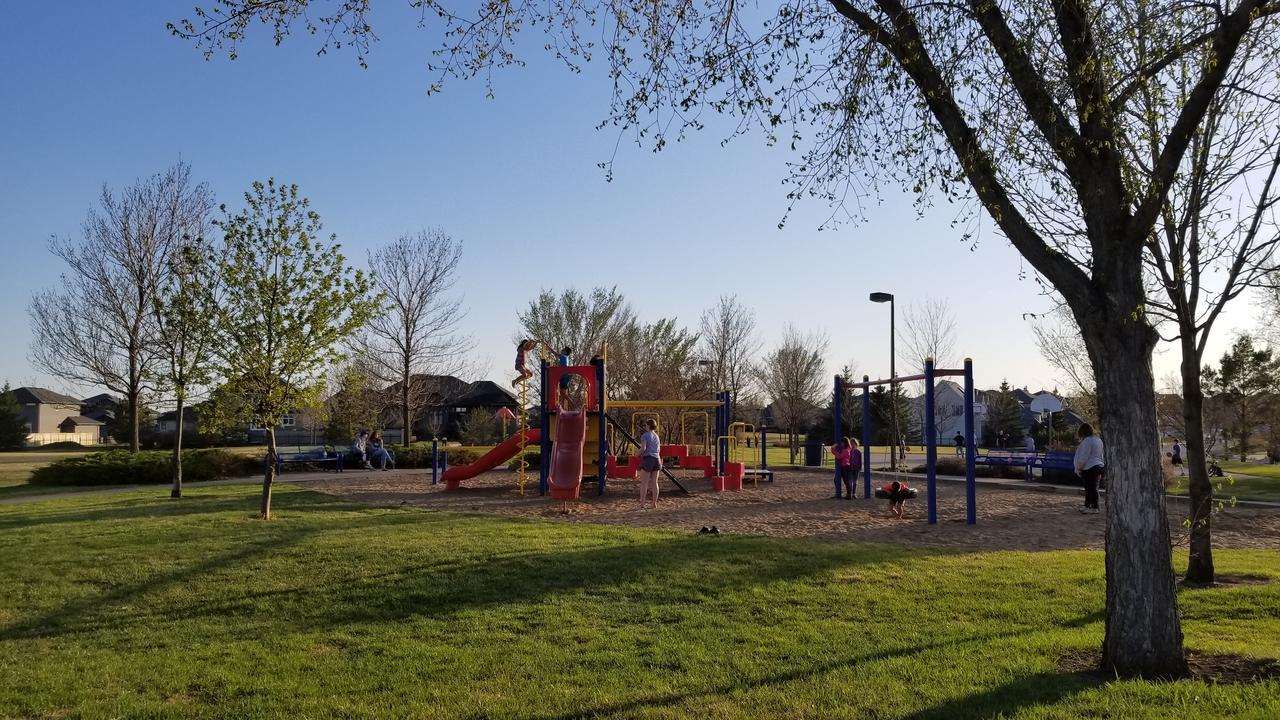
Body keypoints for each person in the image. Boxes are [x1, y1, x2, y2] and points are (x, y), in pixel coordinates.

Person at [1073, 423, 1104, 514]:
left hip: (1090, 467)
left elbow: (1084, 456)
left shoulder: (1087, 441)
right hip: (1099, 465)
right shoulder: (1098, 440)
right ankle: (1087, 505)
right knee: (1092, 487)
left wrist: (1079, 467)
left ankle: (1095, 507)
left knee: (1091, 488)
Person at [638, 418, 662, 509]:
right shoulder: (657, 436)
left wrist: (637, 454)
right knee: (655, 482)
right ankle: (654, 503)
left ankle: (642, 504)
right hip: (657, 459)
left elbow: (643, 448)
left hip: (648, 459)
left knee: (644, 483)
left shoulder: (645, 435)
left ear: (648, 426)